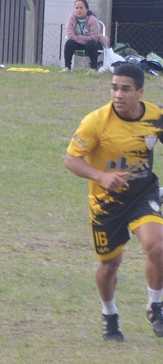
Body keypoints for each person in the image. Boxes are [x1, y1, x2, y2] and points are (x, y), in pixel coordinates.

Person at [63, 61, 163, 341]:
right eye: (114, 87)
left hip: (143, 194)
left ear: (140, 92)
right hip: (106, 205)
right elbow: (71, 160)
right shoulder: (96, 121)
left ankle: (155, 304)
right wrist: (101, 176)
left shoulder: (156, 117)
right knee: (110, 265)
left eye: (125, 89)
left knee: (157, 247)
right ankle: (110, 314)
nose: (118, 94)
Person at [63, 0, 109, 72]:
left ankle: (93, 69)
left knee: (91, 44)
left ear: (86, 9)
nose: (78, 10)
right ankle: (67, 68)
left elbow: (93, 37)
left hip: (92, 43)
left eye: (81, 8)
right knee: (69, 43)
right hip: (78, 42)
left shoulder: (92, 19)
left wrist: (78, 37)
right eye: (76, 8)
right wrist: (81, 39)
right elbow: (70, 34)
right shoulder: (71, 18)